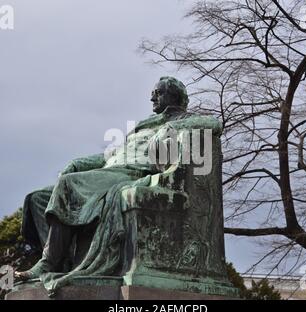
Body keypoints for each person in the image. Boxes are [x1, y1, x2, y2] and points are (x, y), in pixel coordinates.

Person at [15, 76, 190, 295]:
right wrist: (77, 163)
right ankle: (63, 261)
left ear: (174, 97)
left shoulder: (183, 120)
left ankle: (48, 263)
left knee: (67, 185)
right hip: (109, 170)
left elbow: (213, 124)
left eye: (158, 93)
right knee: (37, 198)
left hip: (131, 173)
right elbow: (110, 155)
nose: (151, 97)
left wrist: (173, 126)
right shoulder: (143, 126)